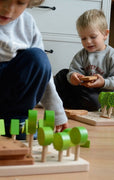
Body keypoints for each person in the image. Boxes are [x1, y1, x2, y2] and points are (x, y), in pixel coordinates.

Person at [0, 0, 68, 139]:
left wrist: (57, 113)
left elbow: (45, 75)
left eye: (20, 2)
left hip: (11, 96)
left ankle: (14, 123)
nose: (9, 9)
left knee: (38, 58)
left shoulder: (28, 23)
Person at [54, 9, 114, 111]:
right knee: (63, 74)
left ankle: (69, 103)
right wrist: (73, 77)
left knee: (94, 101)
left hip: (102, 96)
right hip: (85, 91)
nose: (88, 42)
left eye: (93, 37)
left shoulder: (113, 55)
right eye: (83, 38)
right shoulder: (81, 55)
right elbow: (74, 71)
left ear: (105, 34)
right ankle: (57, 101)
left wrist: (103, 82)